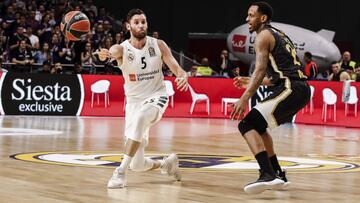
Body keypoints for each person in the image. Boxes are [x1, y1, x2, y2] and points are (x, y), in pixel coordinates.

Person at [93, 8, 188, 189]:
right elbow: (112, 52)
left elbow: (177, 69)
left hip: (157, 96)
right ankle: (167, 164)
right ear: (128, 26)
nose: (141, 25)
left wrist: (183, 75)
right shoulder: (122, 48)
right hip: (134, 103)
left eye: (143, 21)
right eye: (136, 22)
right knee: (138, 164)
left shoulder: (158, 44)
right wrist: (107, 54)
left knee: (143, 117)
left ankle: (120, 172)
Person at [230, 2, 310, 194]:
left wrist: (244, 97)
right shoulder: (276, 34)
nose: (247, 19)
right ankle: (277, 173)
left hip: (292, 88)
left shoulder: (262, 37)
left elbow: (259, 70)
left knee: (246, 125)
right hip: (298, 88)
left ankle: (267, 174)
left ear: (263, 18)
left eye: (251, 15)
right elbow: (277, 76)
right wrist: (249, 81)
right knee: (259, 127)